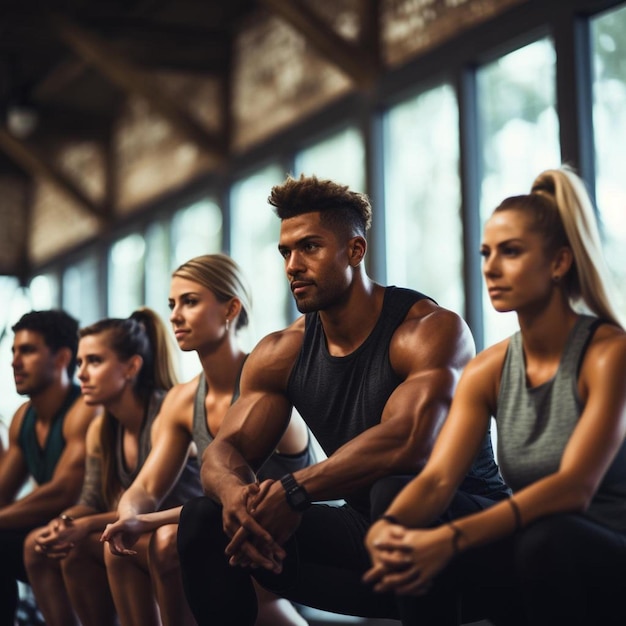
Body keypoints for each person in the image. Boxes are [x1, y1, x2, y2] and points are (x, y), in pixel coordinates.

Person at [175, 174, 511, 626]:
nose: (292, 264)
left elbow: (408, 442)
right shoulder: (282, 353)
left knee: (395, 489)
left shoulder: (428, 330)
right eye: (285, 252)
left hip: (466, 534)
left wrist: (294, 491)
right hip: (367, 536)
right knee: (205, 517)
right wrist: (237, 500)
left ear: (355, 251)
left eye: (309, 247)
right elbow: (224, 449)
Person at [364, 165, 626, 625]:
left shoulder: (609, 353)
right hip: (533, 540)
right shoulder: (488, 368)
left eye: (511, 252)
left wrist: (451, 539)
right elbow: (437, 480)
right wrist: (389, 527)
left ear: (560, 262)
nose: (490, 267)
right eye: (486, 253)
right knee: (395, 494)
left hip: (600, 548)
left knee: (545, 539)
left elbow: (573, 488)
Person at [100, 254, 315, 626]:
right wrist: (131, 515)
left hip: (294, 538)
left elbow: (246, 504)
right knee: (128, 547)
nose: (175, 315)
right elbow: (147, 486)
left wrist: (146, 522)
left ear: (231, 308)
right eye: (172, 304)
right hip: (232, 536)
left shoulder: (266, 386)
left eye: (190, 301)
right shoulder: (184, 400)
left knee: (168, 542)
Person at [23, 308, 202, 626]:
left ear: (132, 366)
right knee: (53, 545)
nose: (81, 374)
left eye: (94, 361)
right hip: (147, 532)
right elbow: (90, 501)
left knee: (107, 547)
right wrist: (64, 522)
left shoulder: (165, 414)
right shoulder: (102, 428)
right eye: (80, 363)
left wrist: (87, 524)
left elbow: (163, 507)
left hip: (185, 535)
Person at [0, 309, 99, 624]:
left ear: (61, 359)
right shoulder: (23, 417)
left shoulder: (84, 409)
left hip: (87, 530)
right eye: (14, 351)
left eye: (27, 351)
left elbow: (63, 491)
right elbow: (3, 489)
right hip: (47, 531)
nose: (15, 361)